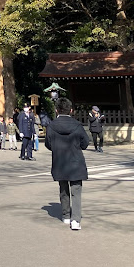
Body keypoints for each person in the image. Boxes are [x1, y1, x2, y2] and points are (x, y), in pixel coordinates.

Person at [45, 97, 89, 231]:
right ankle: (76, 219)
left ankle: (66, 215)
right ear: (70, 110)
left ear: (57, 110)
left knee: (63, 189)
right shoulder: (77, 125)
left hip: (60, 161)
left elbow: (48, 144)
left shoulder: (51, 126)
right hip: (76, 161)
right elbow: (85, 143)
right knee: (76, 191)